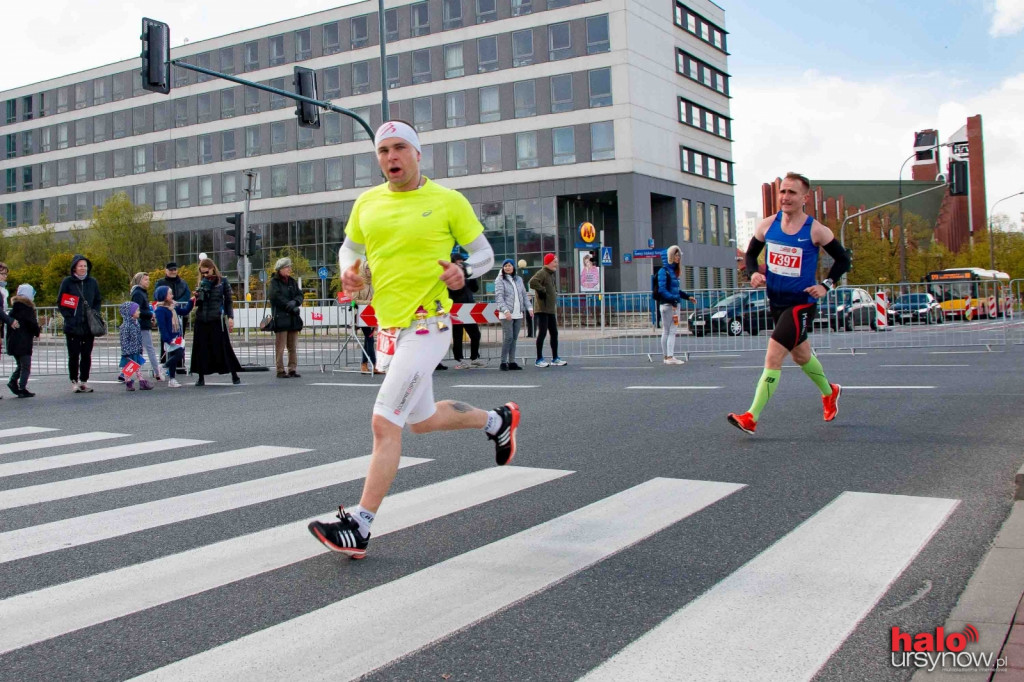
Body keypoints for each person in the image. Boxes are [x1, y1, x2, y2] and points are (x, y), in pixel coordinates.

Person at [307, 119, 517, 560]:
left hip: (429, 324)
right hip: (390, 328)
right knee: (422, 421)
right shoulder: (366, 203)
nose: (391, 158)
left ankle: (359, 526)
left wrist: (465, 271)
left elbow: (484, 254)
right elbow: (351, 248)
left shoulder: (447, 200)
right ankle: (498, 421)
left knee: (385, 423)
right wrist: (348, 268)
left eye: (399, 148)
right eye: (383, 152)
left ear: (418, 154)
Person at [727, 172, 851, 434]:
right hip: (776, 302)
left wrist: (826, 285)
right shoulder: (767, 226)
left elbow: (843, 260)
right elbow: (750, 255)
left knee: (773, 356)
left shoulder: (816, 230)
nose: (785, 197)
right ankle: (830, 393)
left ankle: (751, 416)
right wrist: (754, 274)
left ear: (804, 198)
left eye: (792, 192)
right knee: (801, 355)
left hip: (802, 303)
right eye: (783, 191)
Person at [190, 258, 242, 386]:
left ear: (212, 268)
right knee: (200, 348)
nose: (205, 275)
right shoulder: (201, 282)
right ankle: (201, 376)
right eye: (202, 273)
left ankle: (234, 374)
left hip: (216, 319)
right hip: (202, 319)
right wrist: (198, 296)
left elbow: (228, 301)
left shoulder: (223, 281)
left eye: (207, 272)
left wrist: (230, 317)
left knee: (224, 347)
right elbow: (199, 304)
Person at [57, 254, 102, 393]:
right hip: (73, 326)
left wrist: (95, 313)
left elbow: (97, 300)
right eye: (80, 266)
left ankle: (84, 380)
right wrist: (69, 317)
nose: (83, 268)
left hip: (88, 325)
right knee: (74, 355)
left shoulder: (92, 282)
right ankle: (74, 380)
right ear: (74, 267)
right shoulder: (68, 282)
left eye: (85, 266)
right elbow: (61, 302)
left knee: (86, 354)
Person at [657, 245, 697, 365]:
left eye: (679, 254)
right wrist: (675, 300)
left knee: (666, 330)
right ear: (670, 256)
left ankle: (666, 356)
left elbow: (674, 290)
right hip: (671, 305)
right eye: (675, 254)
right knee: (672, 331)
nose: (678, 257)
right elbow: (663, 290)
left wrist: (687, 297)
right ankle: (670, 357)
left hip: (665, 304)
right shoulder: (667, 272)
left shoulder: (667, 271)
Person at [268, 257, 304, 379]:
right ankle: (280, 370)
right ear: (280, 269)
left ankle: (292, 369)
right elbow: (275, 297)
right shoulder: (274, 282)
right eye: (287, 267)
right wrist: (289, 306)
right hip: (281, 318)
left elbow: (300, 295)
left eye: (289, 267)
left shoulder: (292, 282)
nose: (289, 269)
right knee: (280, 346)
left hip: (293, 318)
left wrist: (295, 302)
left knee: (292, 346)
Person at [449, 250, 485, 369]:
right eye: (458, 263)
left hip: (469, 309)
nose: (461, 265)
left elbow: (475, 289)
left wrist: (471, 276)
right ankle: (459, 359)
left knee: (475, 334)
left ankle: (474, 357)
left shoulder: (467, 275)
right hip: (456, 309)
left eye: (462, 263)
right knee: (457, 336)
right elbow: (454, 291)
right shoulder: (451, 277)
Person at [529, 253, 566, 367]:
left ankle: (555, 358)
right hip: (542, 309)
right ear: (549, 262)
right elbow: (532, 282)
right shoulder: (542, 272)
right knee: (542, 333)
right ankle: (539, 359)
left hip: (550, 309)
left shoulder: (550, 274)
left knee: (554, 333)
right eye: (555, 262)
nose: (556, 264)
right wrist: (542, 290)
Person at [155, 261, 192, 375]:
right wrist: (170, 304)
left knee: (180, 341)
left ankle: (179, 365)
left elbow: (187, 295)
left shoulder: (183, 283)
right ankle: (165, 364)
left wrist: (177, 304)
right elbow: (157, 295)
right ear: (166, 271)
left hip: (178, 315)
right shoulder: (160, 282)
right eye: (171, 270)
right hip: (167, 313)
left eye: (175, 269)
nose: (173, 272)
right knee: (166, 341)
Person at [494, 258, 531, 371]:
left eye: (510, 265)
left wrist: (530, 308)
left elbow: (524, 295)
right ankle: (503, 362)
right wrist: (505, 311)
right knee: (508, 337)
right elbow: (499, 297)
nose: (507, 267)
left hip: (517, 313)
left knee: (514, 338)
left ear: (514, 267)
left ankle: (512, 361)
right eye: (505, 265)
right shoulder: (500, 280)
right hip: (507, 314)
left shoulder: (518, 279)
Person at [153, 285, 193, 388]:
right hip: (170, 337)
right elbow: (162, 326)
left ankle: (172, 379)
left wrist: (191, 302)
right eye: (170, 293)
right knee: (178, 354)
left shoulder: (173, 306)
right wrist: (167, 339)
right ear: (164, 296)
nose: (172, 295)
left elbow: (184, 312)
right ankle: (163, 367)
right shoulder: (160, 310)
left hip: (177, 335)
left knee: (176, 356)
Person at [6, 284, 40, 398]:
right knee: (25, 366)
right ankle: (22, 387)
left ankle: (13, 382)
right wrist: (37, 331)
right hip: (24, 342)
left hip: (13, 342)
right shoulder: (27, 309)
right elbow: (32, 324)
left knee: (20, 365)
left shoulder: (15, 308)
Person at [350, 259, 383, 375]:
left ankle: (364, 364)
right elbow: (354, 300)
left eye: (370, 268)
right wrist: (367, 302)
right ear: (363, 269)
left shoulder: (373, 283)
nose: (369, 271)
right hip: (360, 315)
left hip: (371, 315)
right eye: (367, 268)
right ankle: (374, 364)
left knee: (368, 339)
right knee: (369, 338)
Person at [130, 272, 164, 381]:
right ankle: (157, 372)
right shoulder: (138, 293)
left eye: (148, 279)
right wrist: (150, 314)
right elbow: (137, 310)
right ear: (139, 280)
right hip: (141, 324)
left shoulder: (140, 292)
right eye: (146, 279)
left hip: (142, 323)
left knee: (139, 350)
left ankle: (125, 373)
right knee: (149, 349)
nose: (148, 281)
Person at [118, 302, 154, 392]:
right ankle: (129, 382)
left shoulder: (136, 324)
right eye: (137, 310)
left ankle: (141, 381)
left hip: (136, 350)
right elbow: (124, 340)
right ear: (130, 313)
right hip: (129, 352)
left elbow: (138, 338)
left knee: (137, 367)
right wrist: (126, 352)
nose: (139, 312)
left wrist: (140, 348)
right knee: (129, 368)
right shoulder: (125, 326)